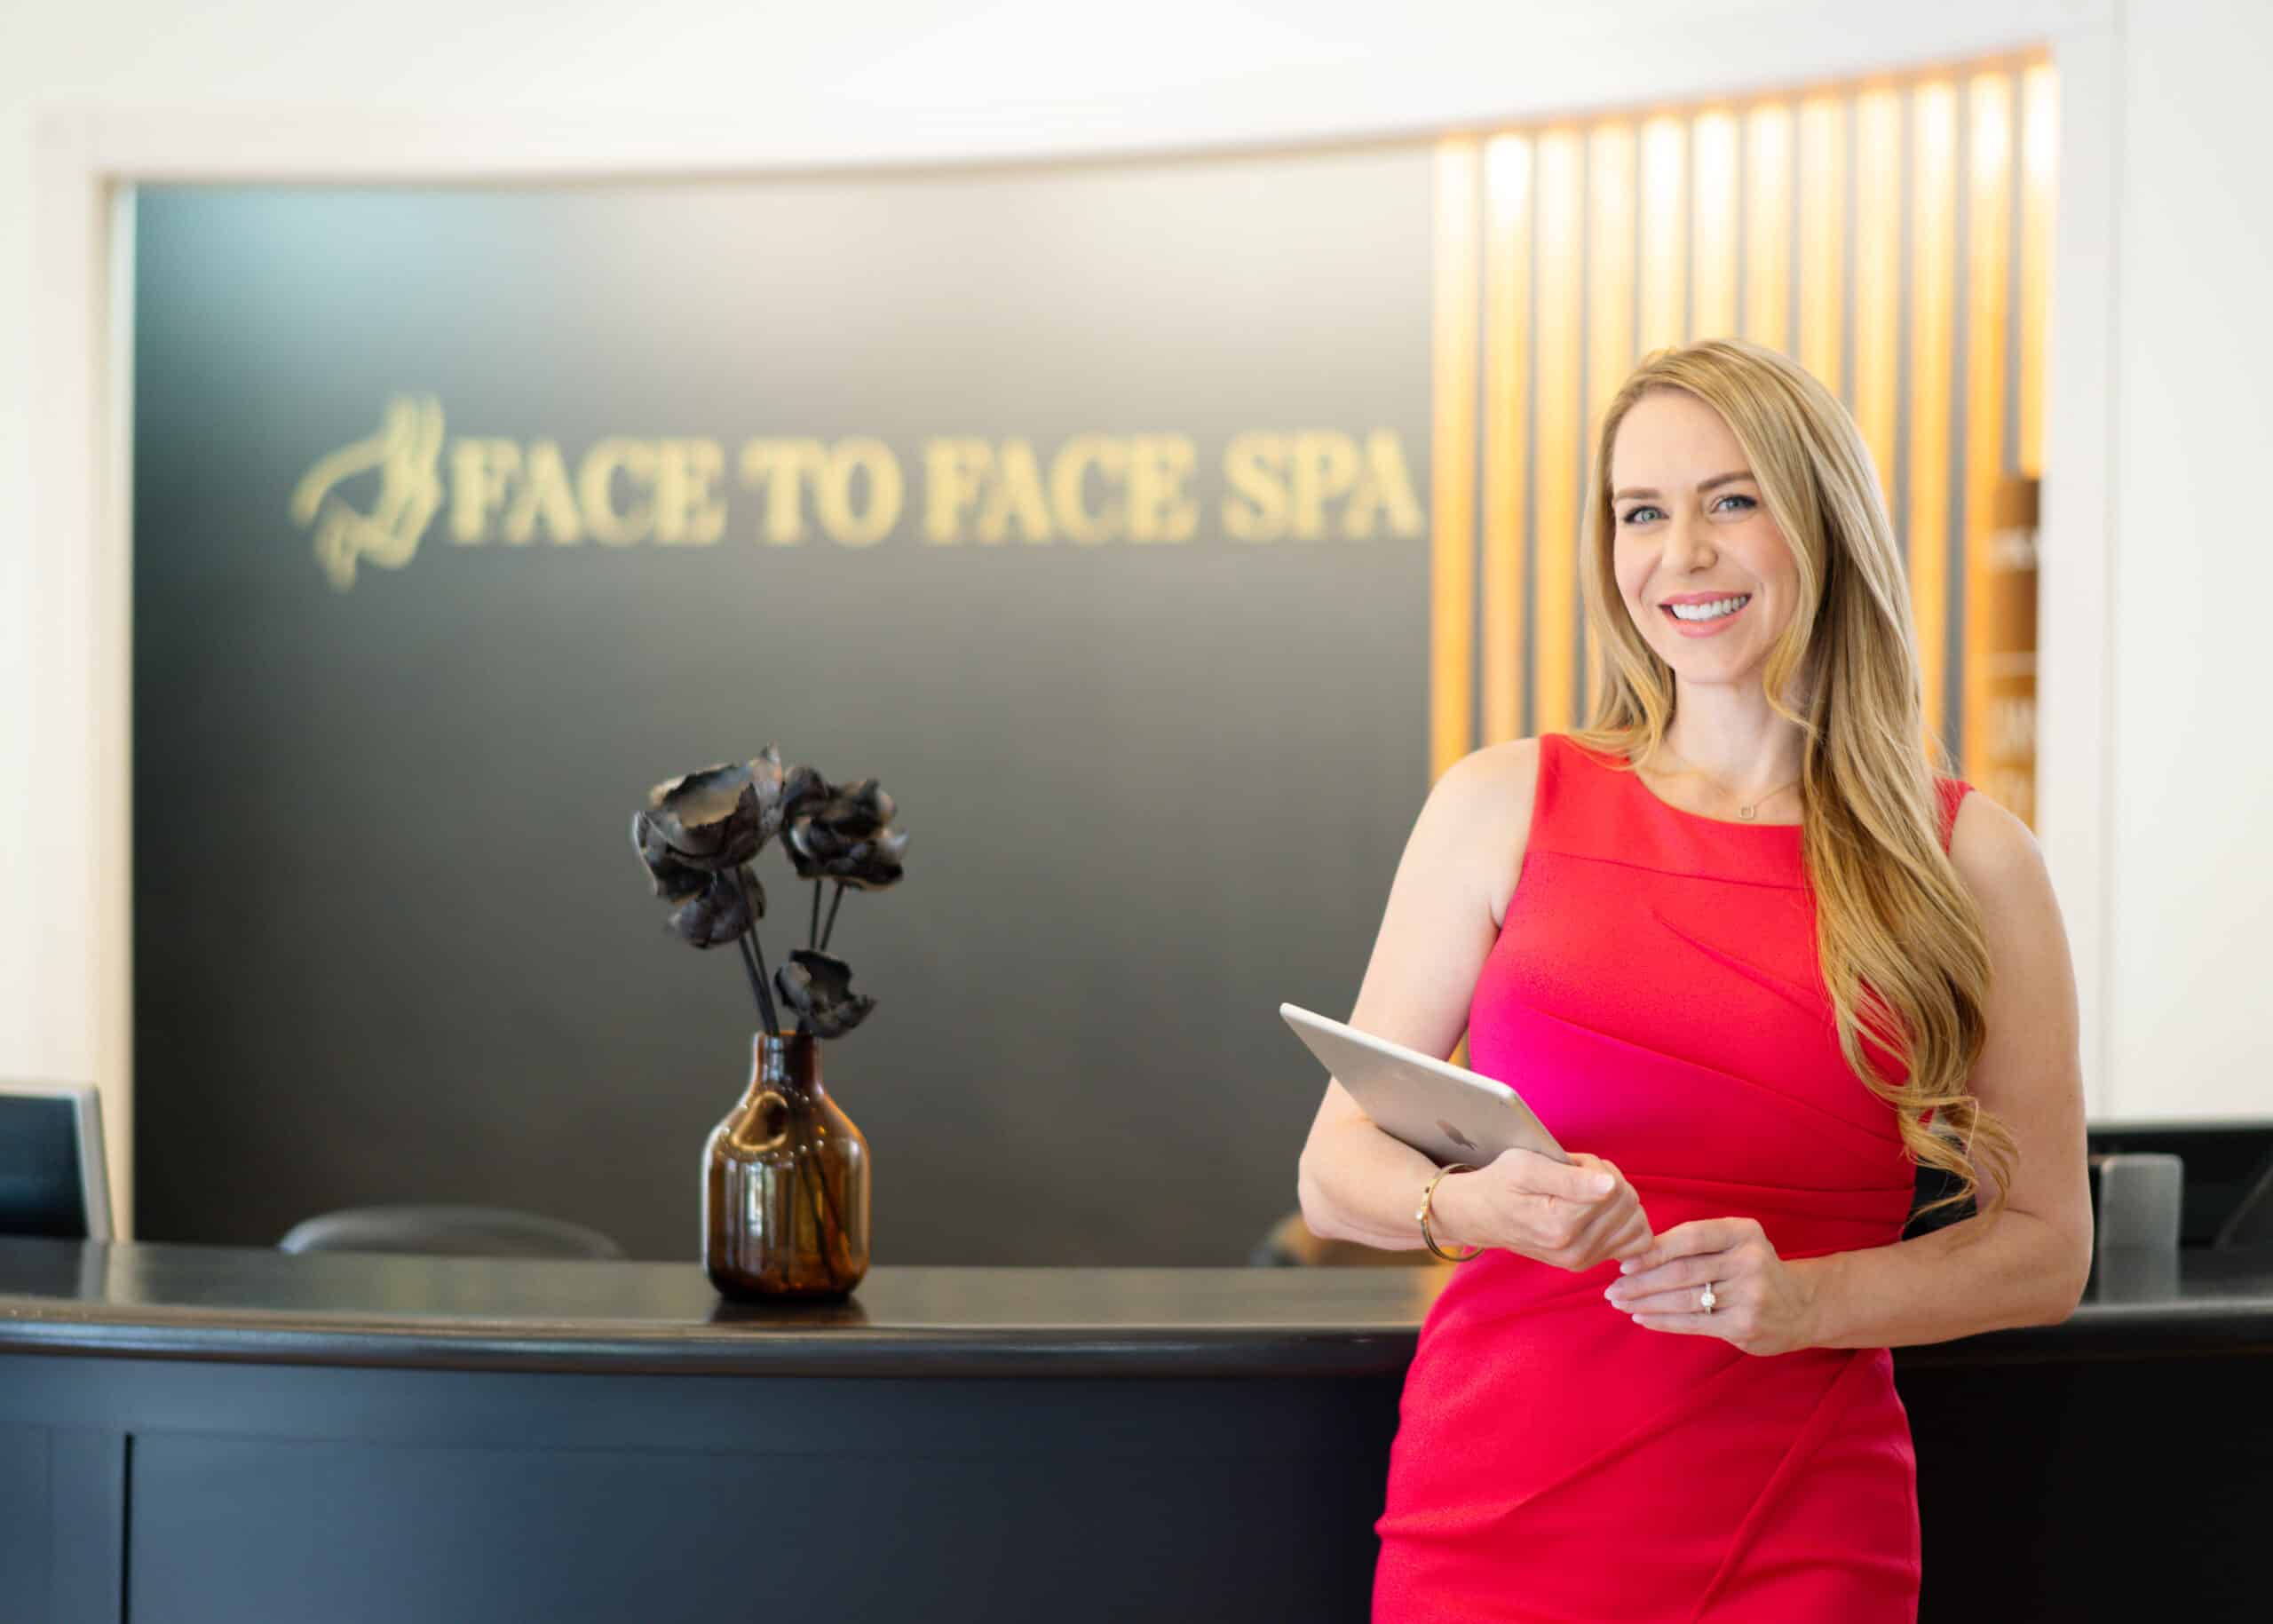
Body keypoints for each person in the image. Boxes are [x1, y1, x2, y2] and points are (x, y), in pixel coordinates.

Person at [1295, 337, 2094, 1622]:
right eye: (1641, 512)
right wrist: (1479, 1206)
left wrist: (1806, 1298)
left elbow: (2046, 1251)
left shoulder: (1973, 860)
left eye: (1734, 498)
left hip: (1800, 1524)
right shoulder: (1499, 802)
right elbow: (1332, 1169)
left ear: (1823, 525)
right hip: (1491, 1506)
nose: (1683, 553)